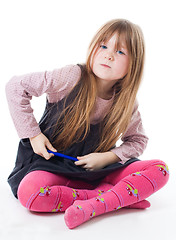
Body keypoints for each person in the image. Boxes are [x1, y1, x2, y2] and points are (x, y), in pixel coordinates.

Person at [5, 19, 169, 229]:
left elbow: (138, 140)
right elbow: (16, 88)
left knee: (160, 170)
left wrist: (107, 158)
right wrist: (33, 134)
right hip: (52, 164)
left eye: (120, 52)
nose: (108, 54)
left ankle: (97, 204)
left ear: (133, 64)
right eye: (103, 46)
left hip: (96, 169)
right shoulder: (72, 76)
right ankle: (111, 197)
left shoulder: (126, 101)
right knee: (30, 192)